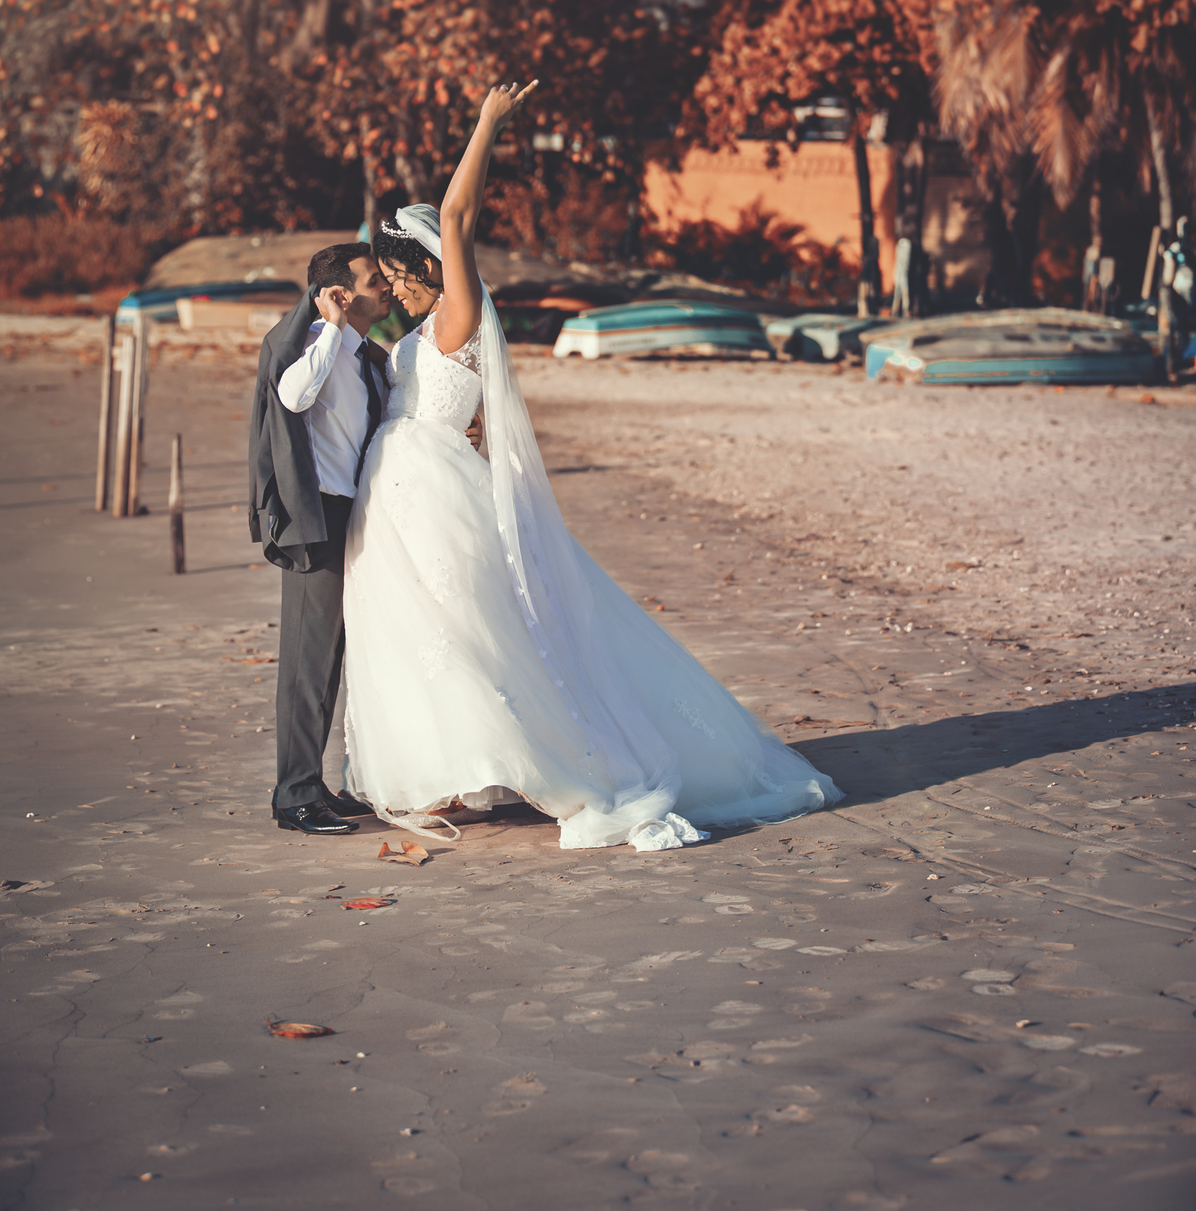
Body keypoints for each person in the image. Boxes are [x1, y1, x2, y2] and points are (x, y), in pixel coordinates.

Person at [341, 81, 841, 851]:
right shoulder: (410, 334)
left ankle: (553, 762)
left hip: (436, 490)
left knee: (476, 628)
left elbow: (456, 216)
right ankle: (459, 772)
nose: (397, 285)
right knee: (419, 635)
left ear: (431, 268)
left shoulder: (458, 315)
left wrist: (487, 124)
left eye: (403, 272)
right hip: (395, 492)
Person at [248, 242, 480, 835]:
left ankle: (314, 786)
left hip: (358, 515)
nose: (387, 288)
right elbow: (293, 396)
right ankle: (293, 796)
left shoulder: (366, 357)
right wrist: (326, 327)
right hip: (315, 517)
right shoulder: (308, 346)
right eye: (375, 279)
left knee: (334, 659)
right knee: (307, 660)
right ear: (341, 293)